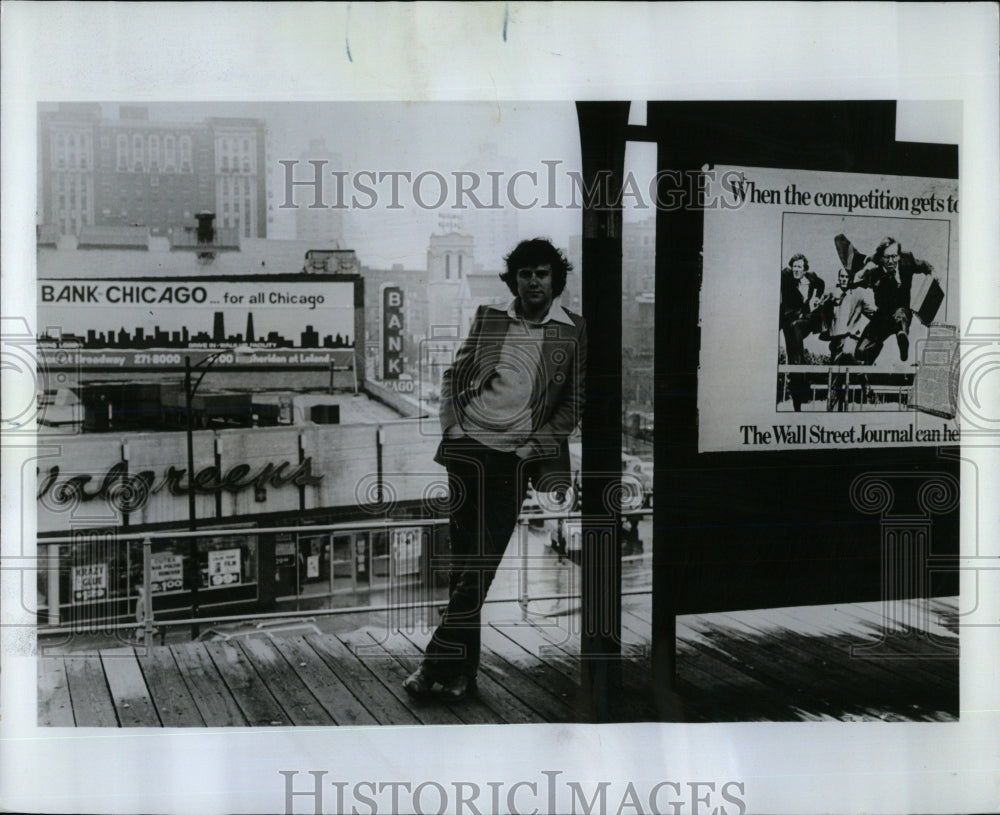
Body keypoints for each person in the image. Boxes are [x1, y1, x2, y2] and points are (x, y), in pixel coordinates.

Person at [403, 238, 587, 701]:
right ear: (515, 280)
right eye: (525, 274)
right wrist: (452, 430)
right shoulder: (490, 318)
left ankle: (431, 667)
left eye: (542, 274)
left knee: (478, 568)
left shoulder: (573, 331)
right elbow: (455, 376)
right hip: (467, 454)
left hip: (513, 461)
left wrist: (533, 448)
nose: (533, 282)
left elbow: (573, 407)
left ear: (555, 280)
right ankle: (463, 676)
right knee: (466, 569)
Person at [854, 237, 932, 363]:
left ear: (899, 256)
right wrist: (865, 268)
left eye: (894, 256)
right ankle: (873, 351)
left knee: (900, 316)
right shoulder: (874, 273)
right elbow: (856, 280)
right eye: (887, 257)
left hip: (902, 313)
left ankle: (902, 339)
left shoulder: (907, 261)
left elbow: (923, 265)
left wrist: (933, 272)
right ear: (880, 258)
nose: (891, 261)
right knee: (860, 351)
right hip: (882, 317)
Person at [822, 267, 877, 410]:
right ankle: (835, 406)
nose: (843, 279)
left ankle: (866, 386)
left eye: (846, 277)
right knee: (836, 374)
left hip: (850, 336)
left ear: (850, 279)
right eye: (841, 277)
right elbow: (823, 307)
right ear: (838, 278)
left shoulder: (858, 295)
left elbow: (872, 312)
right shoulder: (832, 292)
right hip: (836, 338)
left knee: (848, 352)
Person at [779, 253, 826, 410]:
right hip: (789, 322)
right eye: (794, 266)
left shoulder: (812, 277)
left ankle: (801, 366)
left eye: (799, 266)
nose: (796, 269)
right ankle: (797, 403)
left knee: (797, 329)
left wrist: (817, 298)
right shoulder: (786, 277)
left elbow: (821, 284)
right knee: (793, 361)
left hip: (806, 320)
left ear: (805, 268)